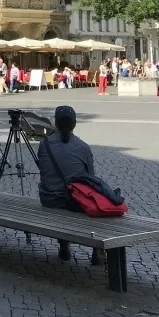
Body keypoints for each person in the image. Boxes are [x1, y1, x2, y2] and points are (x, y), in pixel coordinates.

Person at [36, 105, 96, 261]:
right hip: (74, 201)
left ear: (55, 123)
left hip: (49, 198)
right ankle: (98, 250)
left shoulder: (45, 144)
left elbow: (44, 170)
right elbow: (91, 179)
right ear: (74, 124)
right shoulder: (83, 147)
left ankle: (64, 244)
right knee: (96, 198)